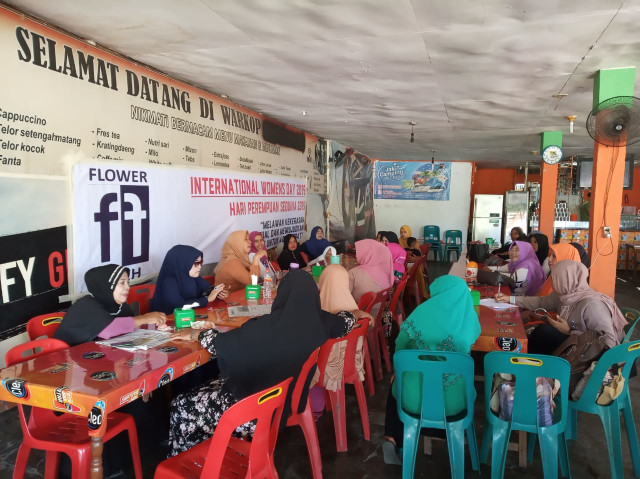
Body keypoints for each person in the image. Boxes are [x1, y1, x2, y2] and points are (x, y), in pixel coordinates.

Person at [167, 270, 358, 456]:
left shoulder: (267, 328)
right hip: (285, 399)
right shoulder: (321, 321)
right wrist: (352, 312)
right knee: (210, 387)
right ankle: (212, 454)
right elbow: (347, 321)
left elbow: (220, 344)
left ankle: (196, 463)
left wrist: (193, 334)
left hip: (256, 410)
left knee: (181, 404)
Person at [382, 275, 480, 464]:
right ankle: (454, 434)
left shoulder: (419, 314)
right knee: (451, 389)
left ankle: (392, 439)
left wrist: (397, 371)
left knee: (398, 383)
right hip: (455, 406)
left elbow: (400, 348)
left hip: (413, 403)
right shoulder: (468, 319)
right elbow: (469, 342)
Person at [495, 260, 625, 354]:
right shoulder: (563, 295)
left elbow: (608, 342)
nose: (552, 282)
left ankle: (535, 371)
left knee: (545, 333)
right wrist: (510, 299)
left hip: (589, 354)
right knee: (541, 332)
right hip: (574, 343)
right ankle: (531, 367)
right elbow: (540, 302)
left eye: (555, 278)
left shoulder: (592, 305)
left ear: (567, 280)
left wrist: (570, 331)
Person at [309, 264, 375, 417]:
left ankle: (316, 405)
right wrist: (357, 312)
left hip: (325, 371)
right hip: (351, 365)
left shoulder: (319, 313)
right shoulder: (354, 310)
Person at [54, 264, 167, 347]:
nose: (128, 287)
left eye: (128, 282)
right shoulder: (86, 305)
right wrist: (146, 318)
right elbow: (109, 330)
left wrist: (153, 322)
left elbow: (128, 328)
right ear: (106, 286)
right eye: (122, 283)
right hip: (66, 362)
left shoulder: (117, 305)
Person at [150, 245, 228, 314]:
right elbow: (180, 306)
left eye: (201, 262)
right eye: (196, 263)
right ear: (183, 264)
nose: (200, 267)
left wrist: (218, 293)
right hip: (167, 322)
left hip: (188, 317)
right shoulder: (168, 282)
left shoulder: (192, 276)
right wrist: (207, 299)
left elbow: (207, 289)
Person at [348, 239, 395, 303]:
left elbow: (344, 296)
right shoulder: (386, 272)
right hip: (380, 310)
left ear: (365, 253)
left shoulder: (353, 273)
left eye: (358, 252)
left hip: (359, 311)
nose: (356, 255)